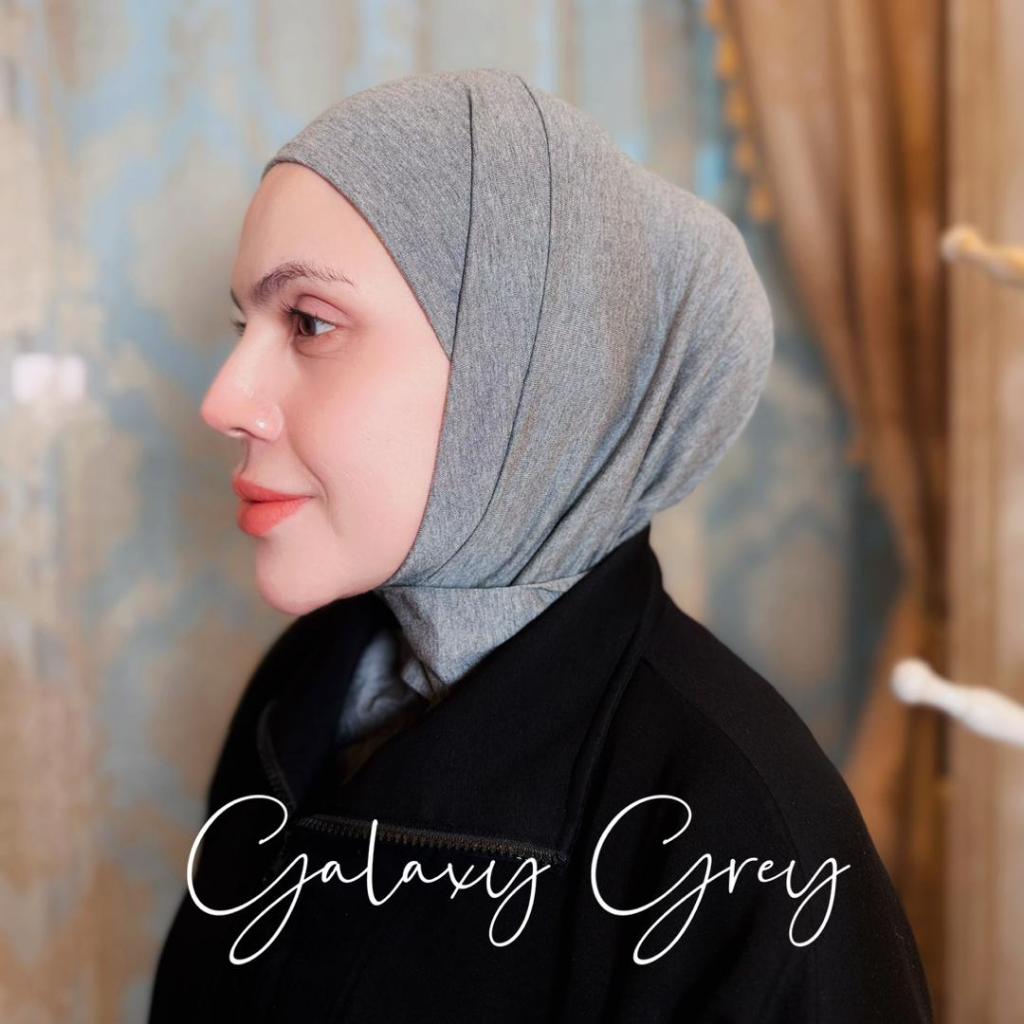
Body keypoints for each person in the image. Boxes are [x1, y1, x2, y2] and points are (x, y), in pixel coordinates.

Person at [147, 68, 933, 1022]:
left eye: (310, 322)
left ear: (519, 371)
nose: (224, 399)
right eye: (247, 324)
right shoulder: (302, 687)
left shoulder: (740, 830)